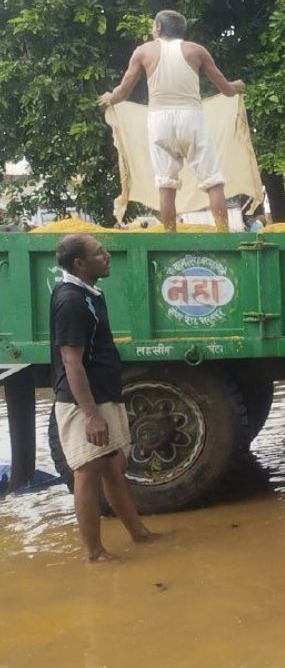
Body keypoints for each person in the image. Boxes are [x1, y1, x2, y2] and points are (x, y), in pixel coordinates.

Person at [50, 234, 161, 561]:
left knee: (113, 467)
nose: (107, 256)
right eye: (99, 253)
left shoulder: (87, 294)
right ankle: (94, 554)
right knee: (87, 472)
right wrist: (90, 415)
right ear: (80, 263)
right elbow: (71, 361)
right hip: (83, 402)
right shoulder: (71, 301)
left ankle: (139, 534)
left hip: (101, 394)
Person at [98, 9, 245, 231]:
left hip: (159, 122)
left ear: (158, 27)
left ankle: (170, 236)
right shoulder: (196, 50)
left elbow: (123, 90)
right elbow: (225, 88)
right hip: (191, 118)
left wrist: (111, 97)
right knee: (213, 181)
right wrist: (237, 86)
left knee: (166, 184)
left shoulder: (143, 52)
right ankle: (223, 235)